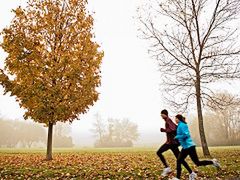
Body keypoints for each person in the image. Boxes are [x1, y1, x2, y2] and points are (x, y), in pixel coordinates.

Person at [172, 114, 221, 180]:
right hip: (186, 147)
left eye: (176, 118)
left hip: (189, 146)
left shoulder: (183, 125)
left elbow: (186, 135)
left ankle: (213, 162)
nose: (175, 120)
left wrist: (177, 137)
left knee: (197, 162)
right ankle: (189, 175)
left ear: (179, 119)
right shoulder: (179, 126)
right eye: (175, 119)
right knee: (179, 160)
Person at [157, 109, 195, 178]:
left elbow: (173, 129)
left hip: (171, 143)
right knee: (180, 159)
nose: (161, 115)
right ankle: (191, 172)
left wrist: (164, 130)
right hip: (171, 143)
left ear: (165, 114)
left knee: (159, 152)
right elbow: (174, 128)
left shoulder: (168, 120)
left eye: (161, 114)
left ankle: (167, 168)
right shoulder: (167, 120)